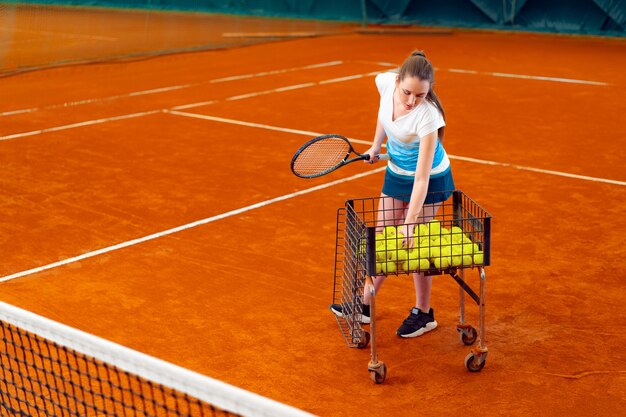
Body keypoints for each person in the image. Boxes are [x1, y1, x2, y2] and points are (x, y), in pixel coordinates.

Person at [330, 50, 455, 338]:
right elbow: (384, 114)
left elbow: (422, 178)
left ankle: (424, 314)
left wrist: (410, 221)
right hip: (397, 172)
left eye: (421, 95)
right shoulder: (385, 83)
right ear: (397, 81)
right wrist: (375, 146)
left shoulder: (428, 117)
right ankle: (363, 306)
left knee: (414, 247)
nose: (412, 101)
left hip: (432, 180)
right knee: (383, 238)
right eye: (407, 92)